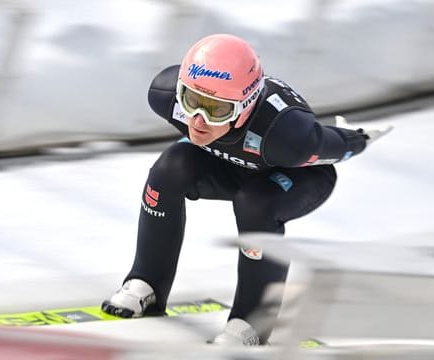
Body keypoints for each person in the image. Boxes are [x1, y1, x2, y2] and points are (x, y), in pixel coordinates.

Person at [101, 34, 392, 345]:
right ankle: (146, 282)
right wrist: (208, 113)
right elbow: (196, 118)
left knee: (255, 204)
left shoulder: (288, 137)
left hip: (295, 175)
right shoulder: (164, 96)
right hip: (232, 163)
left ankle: (251, 321)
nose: (198, 120)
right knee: (170, 168)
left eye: (216, 109)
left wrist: (358, 137)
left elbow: (331, 145)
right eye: (191, 100)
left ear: (245, 108)